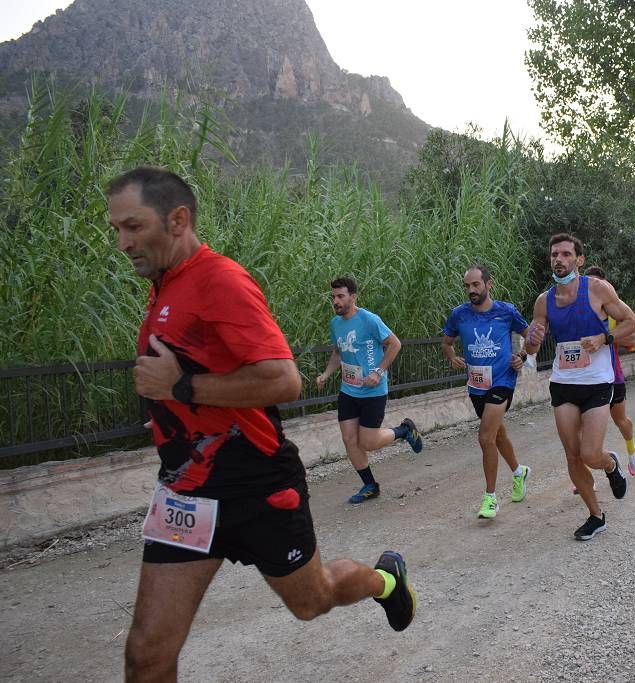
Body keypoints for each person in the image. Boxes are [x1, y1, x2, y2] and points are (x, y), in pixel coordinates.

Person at [107, 167, 415, 682]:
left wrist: (180, 388)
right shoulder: (163, 287)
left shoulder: (219, 280)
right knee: (146, 654)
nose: (122, 242)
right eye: (117, 228)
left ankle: (387, 580)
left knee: (313, 600)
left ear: (178, 219)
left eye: (134, 227)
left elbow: (283, 380)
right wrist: (171, 413)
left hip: (257, 484)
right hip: (187, 491)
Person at [523, 233, 635, 541]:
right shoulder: (544, 301)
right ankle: (596, 515)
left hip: (598, 382)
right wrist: (531, 343)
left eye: (565, 254)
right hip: (563, 383)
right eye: (554, 255)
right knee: (572, 455)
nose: (558, 259)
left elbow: (632, 323)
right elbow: (533, 347)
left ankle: (610, 464)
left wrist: (604, 339)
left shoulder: (597, 289)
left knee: (590, 454)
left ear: (579, 260)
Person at [316, 277, 423, 505]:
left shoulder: (369, 320)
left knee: (368, 442)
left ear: (353, 297)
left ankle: (404, 431)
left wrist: (378, 371)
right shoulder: (335, 324)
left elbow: (395, 344)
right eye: (333, 297)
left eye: (340, 296)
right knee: (348, 438)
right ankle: (370, 485)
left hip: (373, 392)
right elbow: (338, 352)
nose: (335, 301)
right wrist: (326, 374)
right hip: (348, 390)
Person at [441, 265, 531, 519]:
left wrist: (522, 357)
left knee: (485, 438)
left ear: (488, 284)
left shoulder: (506, 311)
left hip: (503, 380)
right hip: (477, 384)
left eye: (476, 285)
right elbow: (446, 343)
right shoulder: (459, 315)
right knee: (497, 435)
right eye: (467, 286)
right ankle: (518, 472)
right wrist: (452, 357)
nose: (471, 290)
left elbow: (531, 338)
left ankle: (490, 498)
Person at [585, 266, 635, 476]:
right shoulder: (578, 309)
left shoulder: (613, 309)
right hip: (585, 377)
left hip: (613, 376)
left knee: (620, 421)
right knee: (582, 430)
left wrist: (605, 338)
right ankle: (584, 477)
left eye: (597, 283)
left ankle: (631, 450)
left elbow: (631, 338)